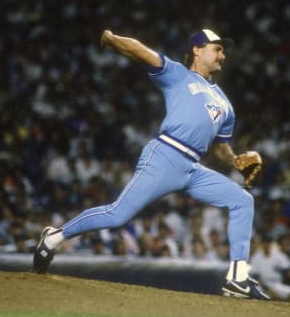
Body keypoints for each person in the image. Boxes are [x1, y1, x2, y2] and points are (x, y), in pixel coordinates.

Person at [33, 28, 269, 300]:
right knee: (117, 215)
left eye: (223, 50)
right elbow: (141, 51)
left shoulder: (226, 104)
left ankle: (237, 278)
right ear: (197, 49)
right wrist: (111, 39)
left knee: (242, 200)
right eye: (217, 48)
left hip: (192, 169)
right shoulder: (179, 74)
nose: (223, 55)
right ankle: (53, 237)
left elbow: (220, 147)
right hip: (165, 155)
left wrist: (237, 161)